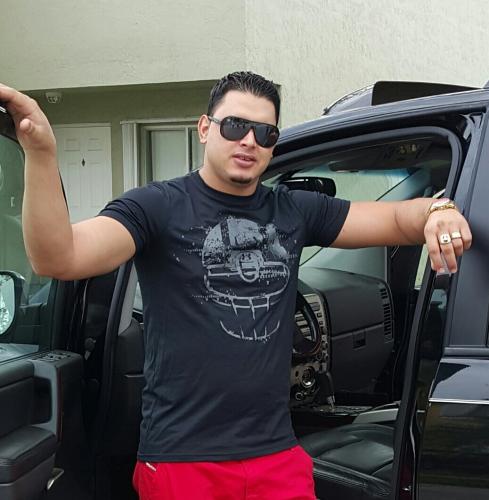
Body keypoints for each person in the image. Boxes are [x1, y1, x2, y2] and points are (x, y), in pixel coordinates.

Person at [0, 72, 471, 500]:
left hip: (276, 457)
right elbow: (58, 256)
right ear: (205, 128)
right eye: (235, 126)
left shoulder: (292, 210)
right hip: (183, 461)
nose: (249, 141)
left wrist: (438, 211)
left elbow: (397, 217)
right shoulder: (158, 207)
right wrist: (41, 153)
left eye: (265, 133)